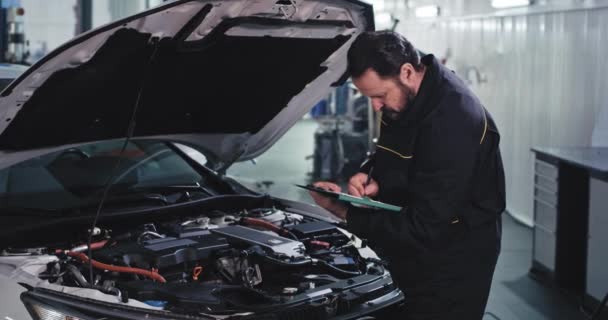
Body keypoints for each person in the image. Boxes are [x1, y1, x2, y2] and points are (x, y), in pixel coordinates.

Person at [309, 31, 505, 320]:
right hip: (417, 240)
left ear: (407, 71)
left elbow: (427, 225)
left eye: (379, 96)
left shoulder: (453, 122)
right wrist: (372, 175)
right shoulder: (407, 97)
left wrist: (345, 213)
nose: (376, 106)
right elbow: (395, 150)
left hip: (456, 252)